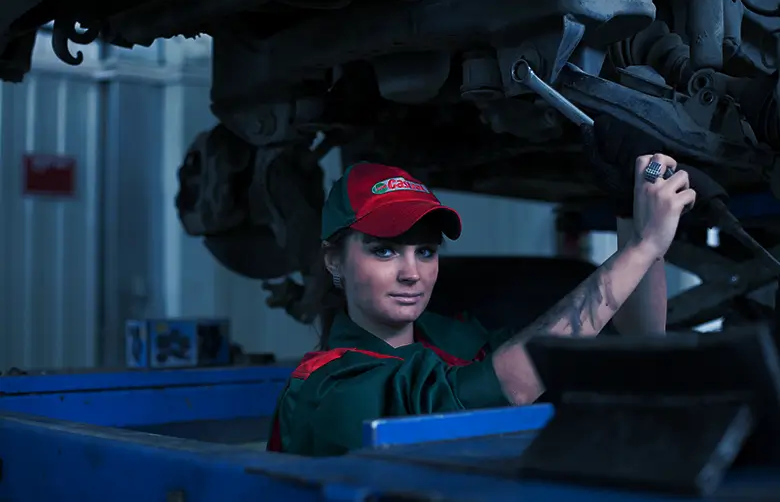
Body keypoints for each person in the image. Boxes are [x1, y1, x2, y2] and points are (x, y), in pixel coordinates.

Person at [266, 147, 696, 456]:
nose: (412, 272)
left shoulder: (451, 337)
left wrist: (630, 212)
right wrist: (641, 248)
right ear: (334, 260)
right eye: (384, 250)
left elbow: (638, 338)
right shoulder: (325, 389)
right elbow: (506, 385)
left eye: (426, 251)